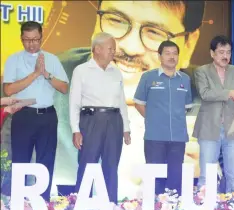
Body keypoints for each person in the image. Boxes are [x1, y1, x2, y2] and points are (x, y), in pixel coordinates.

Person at [54, 0, 206, 197]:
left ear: (188, 45)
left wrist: (203, 181)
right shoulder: (46, 84)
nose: (131, 47)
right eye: (116, 20)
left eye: (155, 32)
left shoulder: (212, 105)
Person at [2, 21, 69, 201]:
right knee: (20, 162)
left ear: (42, 37)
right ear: (21, 39)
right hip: (23, 116)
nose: (32, 44)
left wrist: (46, 74)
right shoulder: (13, 59)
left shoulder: (52, 59)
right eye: (27, 40)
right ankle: (18, 204)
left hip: (47, 116)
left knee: (46, 162)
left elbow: (64, 88)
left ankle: (43, 203)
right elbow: (8, 90)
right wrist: (35, 74)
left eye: (36, 40)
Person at [69, 32, 131, 203]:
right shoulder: (81, 70)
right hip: (91, 120)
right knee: (87, 165)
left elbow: (121, 101)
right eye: (111, 49)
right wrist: (76, 130)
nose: (113, 52)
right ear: (97, 49)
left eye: (114, 49)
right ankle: (81, 207)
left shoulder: (116, 72)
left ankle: (111, 207)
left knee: (111, 166)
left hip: (114, 121)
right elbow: (74, 102)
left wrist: (126, 128)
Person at [133, 40, 193, 195]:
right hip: (155, 138)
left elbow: (186, 107)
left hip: (178, 138)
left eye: (175, 54)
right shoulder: (148, 77)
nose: (171, 57)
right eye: (167, 53)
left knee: (175, 180)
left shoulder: (185, 79)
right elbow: (139, 103)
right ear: (159, 56)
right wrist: (152, 119)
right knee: (155, 180)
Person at [193, 35, 234, 193]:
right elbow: (205, 93)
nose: (225, 56)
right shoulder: (201, 71)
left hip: (233, 129)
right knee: (206, 174)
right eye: (221, 52)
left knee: (233, 174)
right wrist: (230, 93)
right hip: (209, 128)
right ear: (212, 53)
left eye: (228, 52)